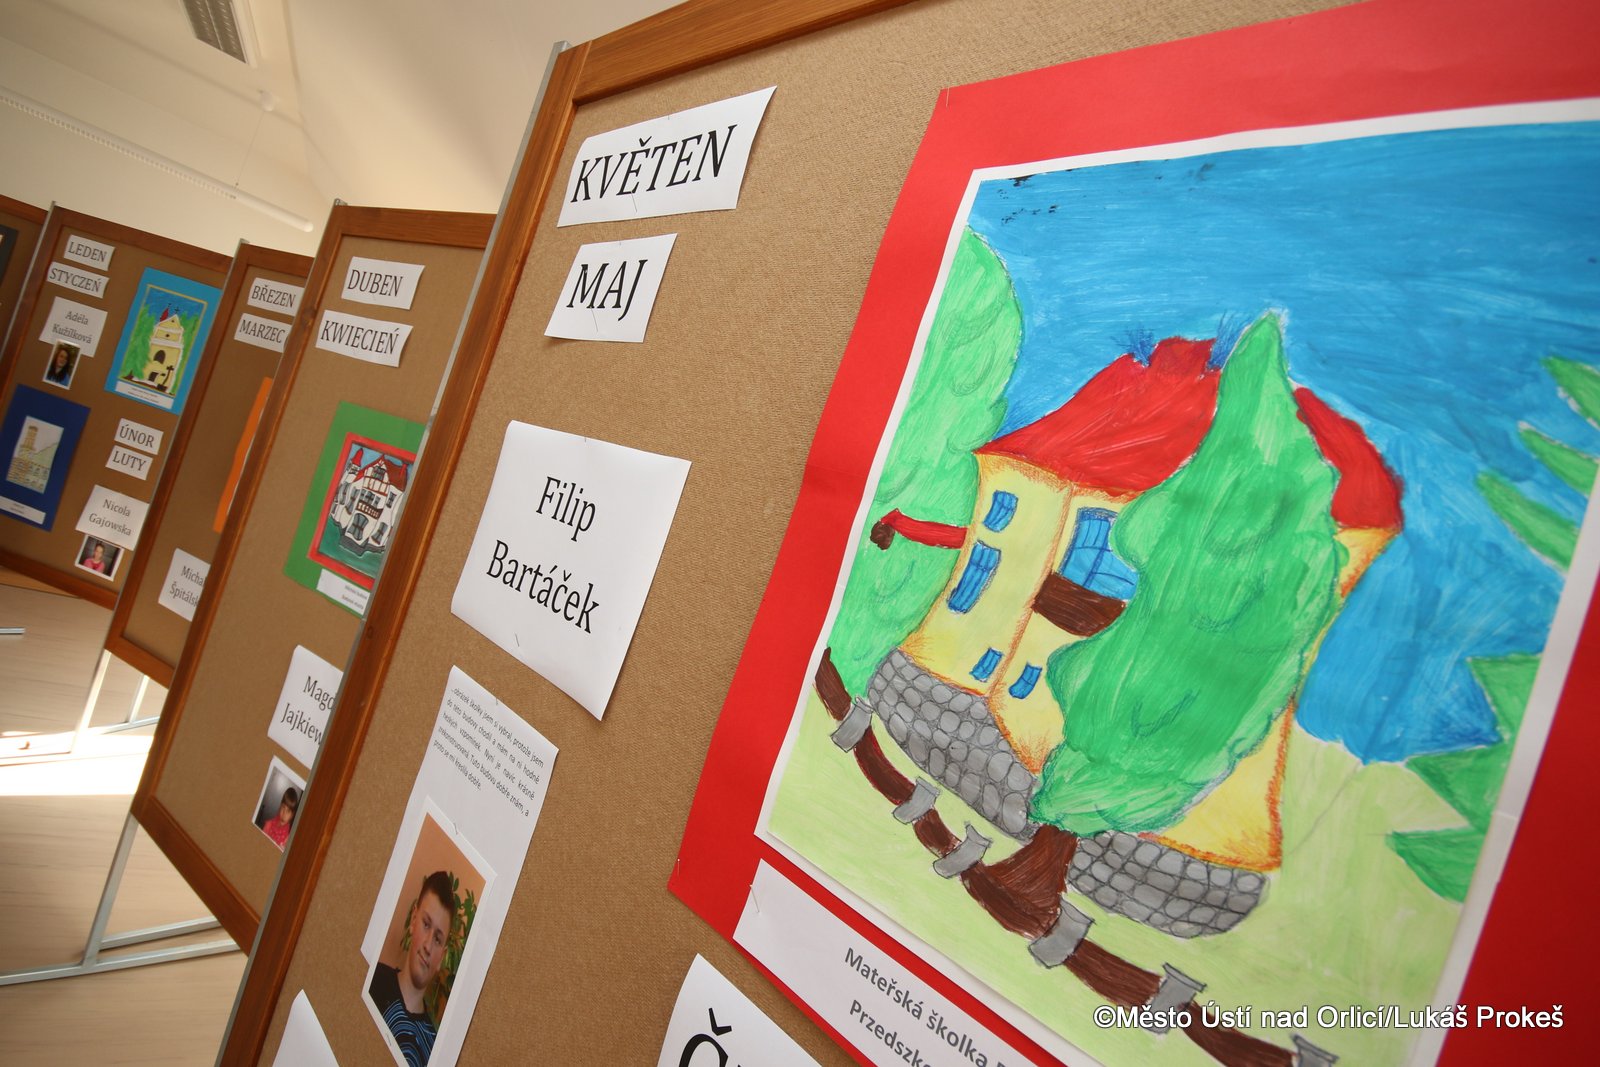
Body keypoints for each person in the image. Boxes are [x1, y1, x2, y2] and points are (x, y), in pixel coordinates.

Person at [368, 871, 455, 1067]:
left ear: (441, 957)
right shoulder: (372, 979)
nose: (428, 945)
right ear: (414, 920)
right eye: (426, 924)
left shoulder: (433, 1050)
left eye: (438, 939)